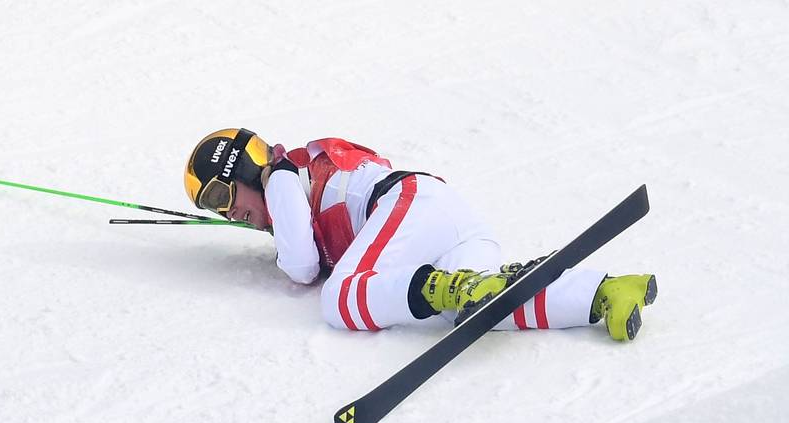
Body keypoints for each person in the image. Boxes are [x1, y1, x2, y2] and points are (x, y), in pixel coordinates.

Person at [183, 128, 657, 340]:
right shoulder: (292, 183)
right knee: (478, 310)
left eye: (222, 195)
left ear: (246, 169)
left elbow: (302, 267)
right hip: (441, 216)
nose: (228, 213)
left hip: (407, 203)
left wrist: (281, 230)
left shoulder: (281, 178)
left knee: (341, 299)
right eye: (212, 207)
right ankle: (606, 292)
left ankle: (450, 286)